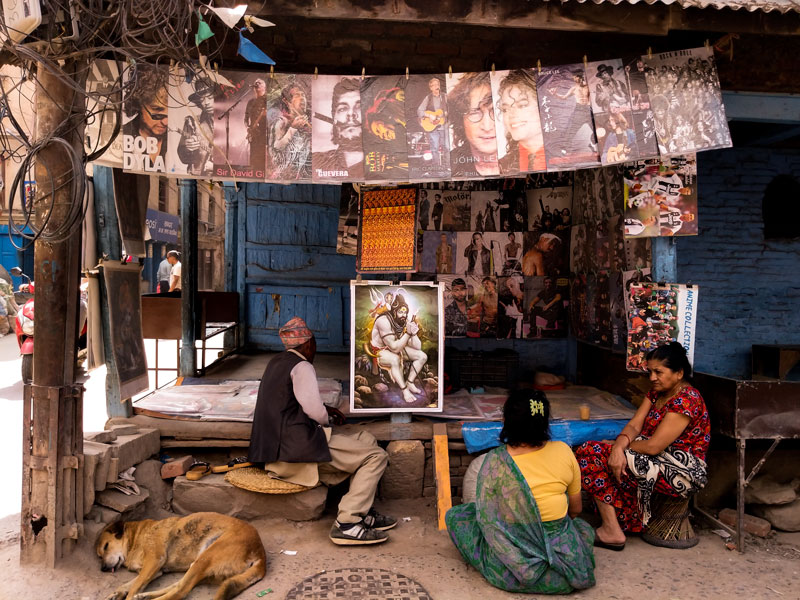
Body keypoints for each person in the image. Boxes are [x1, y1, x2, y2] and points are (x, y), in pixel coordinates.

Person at [248, 317, 396, 545]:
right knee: (376, 456)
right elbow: (315, 414)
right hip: (294, 451)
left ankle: (361, 510)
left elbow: (288, 402)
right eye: (314, 343)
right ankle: (348, 523)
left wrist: (326, 411)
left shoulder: (276, 362)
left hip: (276, 449)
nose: (315, 348)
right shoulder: (302, 365)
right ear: (307, 344)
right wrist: (325, 419)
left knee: (365, 438)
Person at [446, 390, 596, 594]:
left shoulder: (495, 461)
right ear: (544, 422)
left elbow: (487, 518)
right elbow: (576, 510)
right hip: (563, 560)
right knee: (582, 528)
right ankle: (556, 571)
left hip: (513, 566)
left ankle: (524, 572)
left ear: (507, 422)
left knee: (456, 516)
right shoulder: (563, 450)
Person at [576, 343, 709, 550]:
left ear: (679, 373)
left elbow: (654, 446)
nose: (652, 378)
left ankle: (612, 529)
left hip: (680, 471)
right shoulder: (656, 393)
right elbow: (635, 425)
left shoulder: (687, 400)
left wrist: (618, 447)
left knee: (590, 452)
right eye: (651, 372)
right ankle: (618, 524)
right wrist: (619, 445)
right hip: (652, 458)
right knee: (601, 452)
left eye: (659, 372)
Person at [369, 293, 427, 404]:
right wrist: (408, 334)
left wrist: (413, 333)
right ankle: (405, 390)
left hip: (395, 348)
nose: (403, 315)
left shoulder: (403, 321)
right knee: (395, 359)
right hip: (380, 351)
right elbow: (394, 348)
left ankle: (410, 382)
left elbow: (418, 347)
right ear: (394, 311)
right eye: (400, 312)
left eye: (405, 312)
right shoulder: (384, 321)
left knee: (422, 356)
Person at [448, 72, 499, 178]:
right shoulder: (448, 165)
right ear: (461, 121)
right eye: (475, 113)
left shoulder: (529, 159)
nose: (487, 126)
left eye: (494, 111)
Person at [312, 77, 364, 180]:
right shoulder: (316, 162)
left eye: (359, 106)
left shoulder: (389, 164)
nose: (351, 114)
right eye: (343, 109)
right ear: (334, 118)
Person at [496, 70, 546, 173]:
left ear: (543, 105)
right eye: (505, 109)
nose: (511, 115)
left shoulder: (571, 156)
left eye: (522, 105)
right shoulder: (501, 167)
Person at [122, 64, 169, 172]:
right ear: (139, 104)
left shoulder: (177, 138)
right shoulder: (124, 133)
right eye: (157, 111)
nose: (165, 122)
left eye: (169, 114)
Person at [269, 81, 312, 180]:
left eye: (303, 95)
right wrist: (293, 128)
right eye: (297, 95)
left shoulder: (307, 126)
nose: (302, 98)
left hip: (300, 178)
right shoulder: (281, 122)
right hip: (281, 178)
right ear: (287, 101)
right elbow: (277, 146)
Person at [548, 70, 595, 156]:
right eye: (575, 78)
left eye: (579, 77)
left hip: (588, 109)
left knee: (596, 129)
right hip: (579, 110)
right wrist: (555, 94)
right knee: (570, 130)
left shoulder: (588, 86)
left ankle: (594, 144)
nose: (577, 79)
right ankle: (566, 149)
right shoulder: (574, 89)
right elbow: (563, 97)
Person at [177, 78, 214, 176]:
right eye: (202, 99)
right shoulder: (192, 122)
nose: (206, 102)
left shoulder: (229, 121)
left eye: (210, 97)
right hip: (198, 175)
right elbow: (182, 155)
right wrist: (188, 148)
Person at [416, 77, 448, 169]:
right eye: (433, 85)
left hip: (444, 126)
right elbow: (419, 111)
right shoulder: (428, 98)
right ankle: (436, 168)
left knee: (447, 147)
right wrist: (429, 116)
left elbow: (451, 109)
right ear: (430, 88)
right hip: (432, 128)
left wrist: (446, 113)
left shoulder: (445, 97)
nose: (436, 87)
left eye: (437, 84)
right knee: (435, 149)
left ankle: (447, 167)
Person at [244, 78, 268, 173]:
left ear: (264, 87)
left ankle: (262, 171)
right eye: (256, 84)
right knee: (253, 154)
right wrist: (248, 128)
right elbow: (245, 119)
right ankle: (254, 172)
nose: (257, 84)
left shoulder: (268, 100)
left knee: (262, 154)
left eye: (260, 83)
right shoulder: (251, 102)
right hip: (253, 133)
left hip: (264, 133)